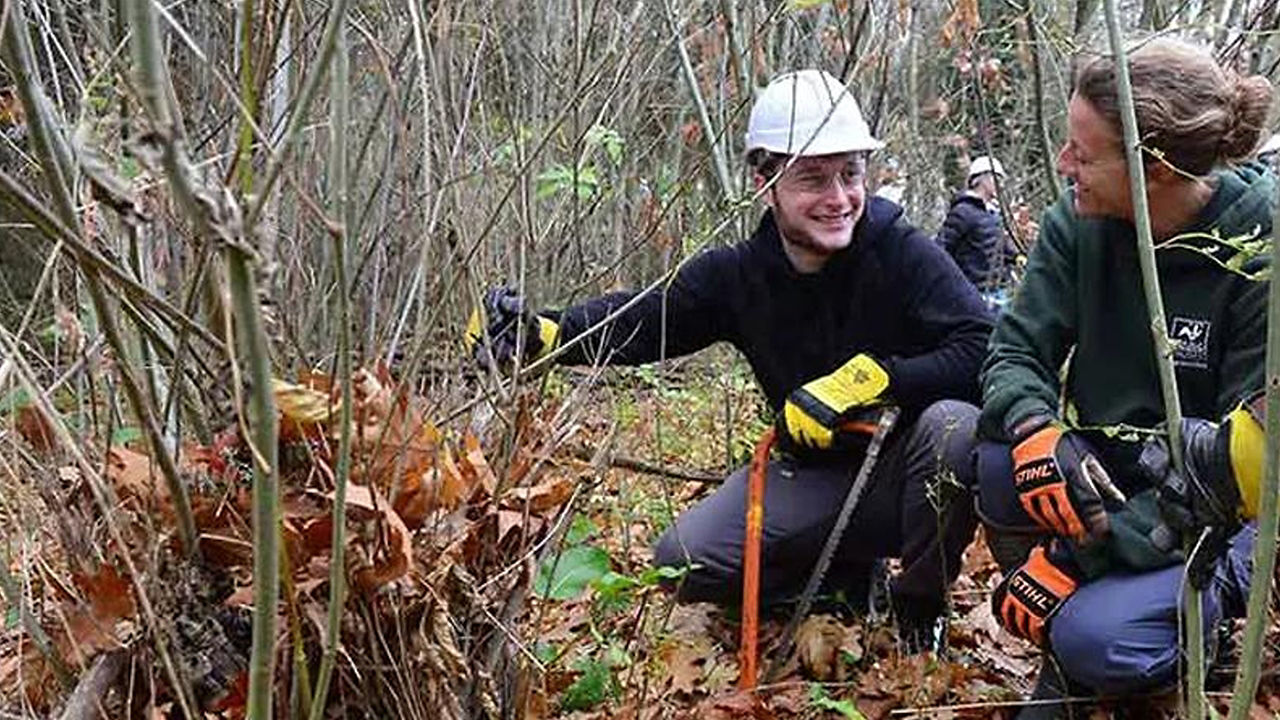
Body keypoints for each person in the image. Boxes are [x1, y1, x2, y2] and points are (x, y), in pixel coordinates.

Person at [466, 69, 994, 651]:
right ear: (764, 182)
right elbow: (644, 320)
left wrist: (873, 379)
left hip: (904, 476)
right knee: (684, 561)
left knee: (955, 427)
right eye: (813, 179)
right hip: (811, 472)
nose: (839, 198)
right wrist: (545, 334)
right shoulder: (737, 276)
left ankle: (919, 608)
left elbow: (982, 348)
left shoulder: (901, 252)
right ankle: (837, 581)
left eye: (850, 174)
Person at [973, 38, 1273, 717]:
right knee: (989, 460)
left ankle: (1184, 628)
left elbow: (1232, 476)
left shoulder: (1259, 252)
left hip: (1221, 513)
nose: (1063, 164)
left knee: (1095, 640)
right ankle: (1086, 614)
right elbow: (1012, 351)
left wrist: (1074, 562)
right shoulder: (1078, 224)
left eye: (1083, 151)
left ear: (1155, 168)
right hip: (1110, 476)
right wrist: (1035, 431)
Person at [936, 155, 1022, 303]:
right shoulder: (963, 212)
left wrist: (1017, 257)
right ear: (981, 179)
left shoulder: (992, 213)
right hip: (974, 295)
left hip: (998, 293)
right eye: (997, 179)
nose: (1000, 185)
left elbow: (996, 246)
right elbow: (940, 250)